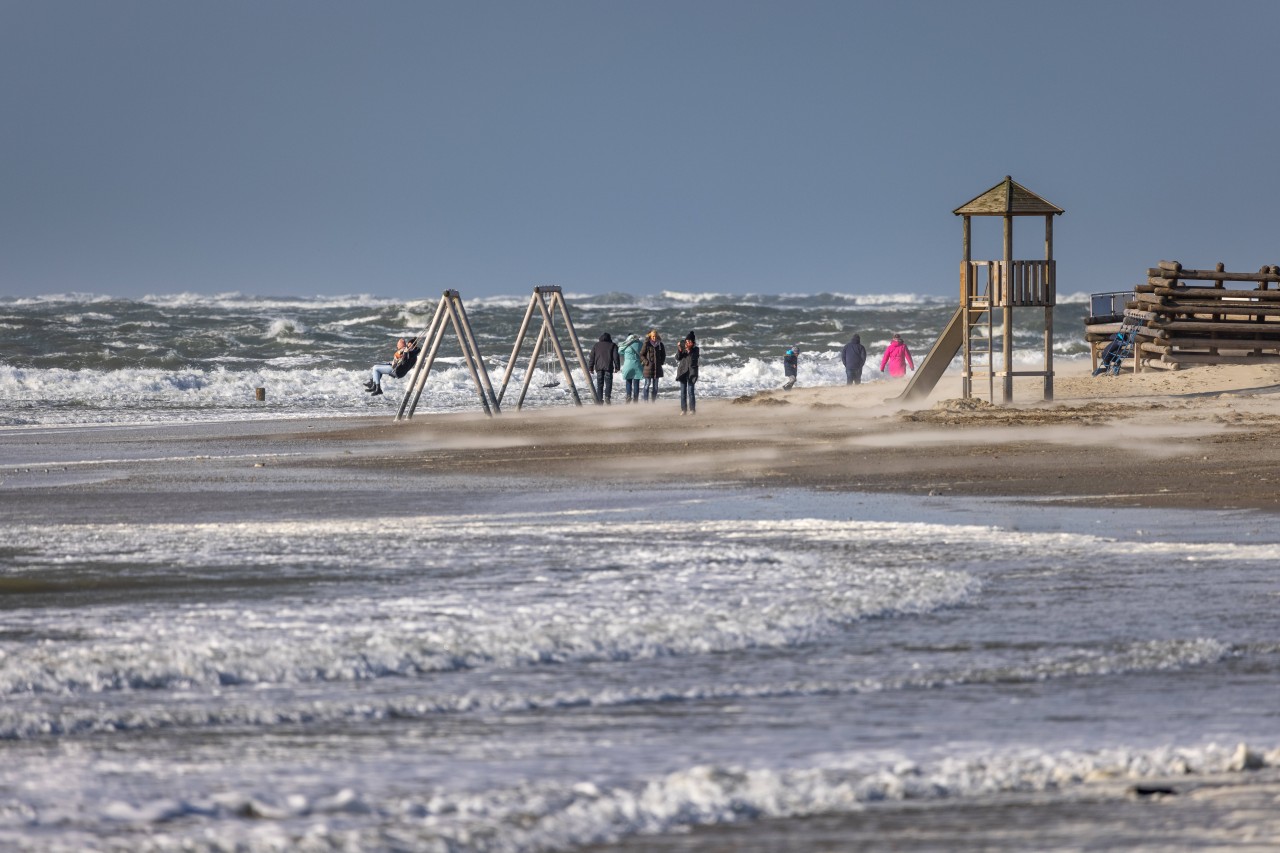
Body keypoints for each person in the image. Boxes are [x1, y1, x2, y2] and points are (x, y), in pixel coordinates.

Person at [587, 332, 620, 404]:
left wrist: (591, 368)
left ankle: (600, 400)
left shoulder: (596, 345)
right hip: (608, 367)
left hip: (598, 367)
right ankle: (607, 397)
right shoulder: (613, 345)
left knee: (600, 384)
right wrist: (617, 367)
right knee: (608, 383)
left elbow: (592, 357)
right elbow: (616, 357)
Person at [674, 331, 699, 414]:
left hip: (691, 373)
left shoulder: (696, 350)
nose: (687, 343)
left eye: (689, 341)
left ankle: (692, 410)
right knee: (683, 392)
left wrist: (689, 350)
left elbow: (693, 358)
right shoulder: (683, 348)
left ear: (693, 342)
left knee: (691, 391)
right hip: (682, 372)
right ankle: (683, 410)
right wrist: (680, 350)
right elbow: (677, 358)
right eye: (687, 341)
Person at [639, 329, 666, 402]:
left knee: (656, 387)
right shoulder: (647, 344)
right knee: (647, 384)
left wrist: (661, 362)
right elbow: (641, 355)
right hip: (648, 368)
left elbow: (663, 355)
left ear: (657, 336)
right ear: (650, 336)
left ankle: (653, 401)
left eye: (655, 336)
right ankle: (646, 401)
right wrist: (646, 362)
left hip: (657, 368)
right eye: (653, 336)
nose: (654, 338)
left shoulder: (660, 344)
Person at [618, 333, 644, 403]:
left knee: (628, 381)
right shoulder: (640, 344)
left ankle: (628, 396)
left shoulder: (626, 344)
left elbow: (620, 351)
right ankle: (636, 399)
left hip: (628, 365)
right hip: (637, 364)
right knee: (636, 382)